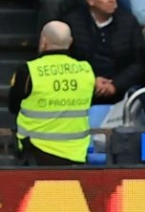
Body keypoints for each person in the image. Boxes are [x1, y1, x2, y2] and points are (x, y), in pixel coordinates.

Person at [8, 21, 95, 166]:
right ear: (71, 42)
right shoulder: (86, 70)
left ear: (43, 42)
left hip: (36, 154)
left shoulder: (28, 71)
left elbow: (13, 107)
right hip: (77, 154)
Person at [63, 0, 143, 105]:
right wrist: (91, 81)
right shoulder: (72, 23)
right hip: (82, 90)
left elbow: (139, 62)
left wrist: (115, 85)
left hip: (121, 90)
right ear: (90, 0)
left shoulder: (129, 22)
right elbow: (65, 61)